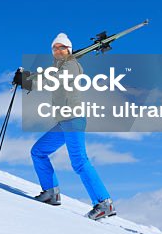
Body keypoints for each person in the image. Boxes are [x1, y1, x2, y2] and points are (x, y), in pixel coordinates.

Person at [13, 32, 115, 221]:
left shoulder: (71, 66)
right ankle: (51, 192)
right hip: (63, 122)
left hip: (74, 119)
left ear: (69, 49)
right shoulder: (58, 66)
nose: (58, 50)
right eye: (55, 48)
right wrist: (25, 79)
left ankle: (104, 203)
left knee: (79, 161)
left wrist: (27, 81)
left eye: (62, 47)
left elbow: (54, 80)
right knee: (38, 151)